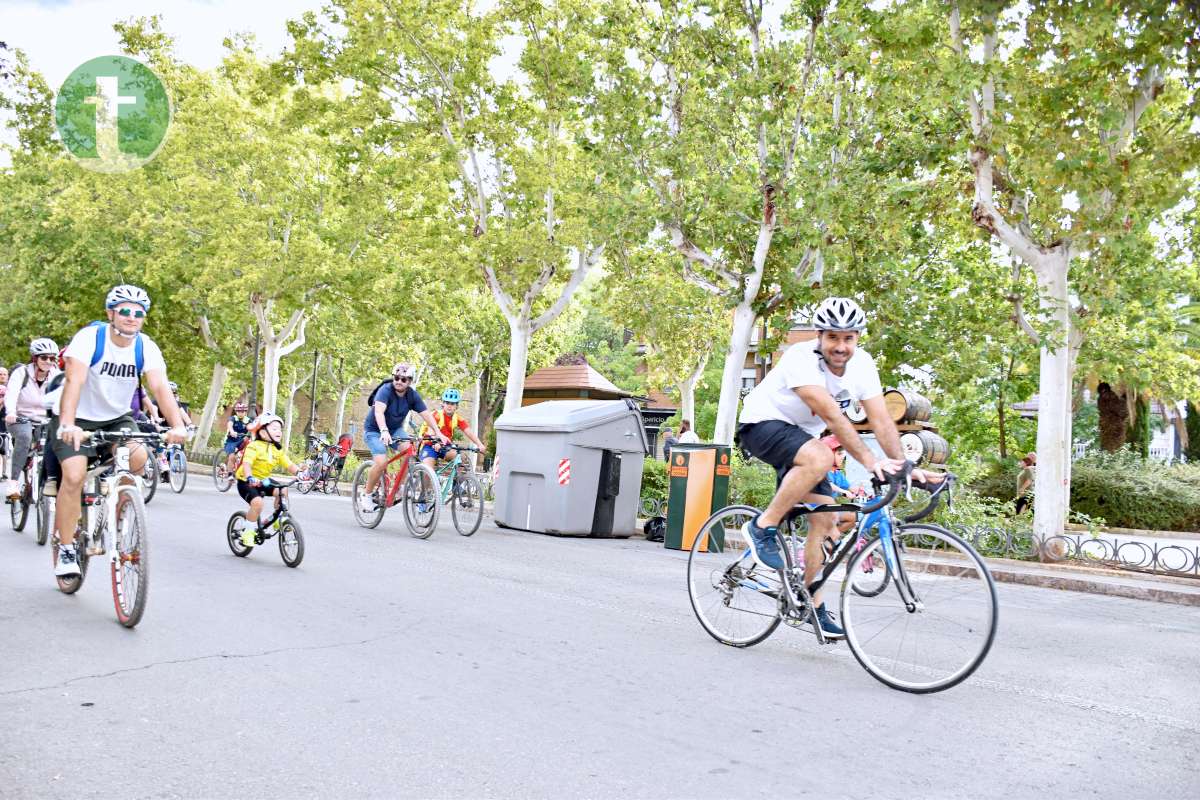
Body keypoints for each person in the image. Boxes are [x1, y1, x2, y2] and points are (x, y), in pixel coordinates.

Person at [736, 297, 940, 639]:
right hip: (762, 425)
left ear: (858, 337)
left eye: (848, 338)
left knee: (826, 519)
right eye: (833, 337)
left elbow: (880, 420)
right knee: (819, 456)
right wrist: (872, 462)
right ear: (820, 336)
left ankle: (810, 604)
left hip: (802, 442)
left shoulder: (864, 366)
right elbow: (833, 416)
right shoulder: (800, 359)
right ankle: (762, 526)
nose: (840, 346)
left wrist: (904, 465)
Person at [50, 285, 189, 578]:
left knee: (138, 458)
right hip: (78, 419)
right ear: (111, 313)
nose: (131, 317)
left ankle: (119, 506)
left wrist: (177, 425)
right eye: (125, 311)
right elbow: (74, 382)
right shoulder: (89, 339)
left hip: (116, 419)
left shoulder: (145, 346)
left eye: (139, 313)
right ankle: (65, 547)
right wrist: (68, 423)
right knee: (74, 475)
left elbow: (160, 387)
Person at [358, 363, 449, 513]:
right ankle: (366, 494)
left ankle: (399, 488)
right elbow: (379, 412)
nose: (399, 381)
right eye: (396, 378)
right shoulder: (385, 390)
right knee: (381, 462)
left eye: (404, 379)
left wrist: (438, 433)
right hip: (374, 430)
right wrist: (383, 430)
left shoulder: (412, 395)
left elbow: (426, 415)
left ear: (410, 381)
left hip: (395, 430)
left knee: (409, 451)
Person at [5, 338, 60, 500]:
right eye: (44, 358)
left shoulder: (56, 375)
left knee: (57, 442)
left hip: (45, 420)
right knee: (25, 436)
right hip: (21, 418)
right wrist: (10, 412)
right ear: (35, 358)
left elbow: (64, 397)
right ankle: (13, 483)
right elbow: (11, 394)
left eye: (52, 358)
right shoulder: (21, 373)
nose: (48, 362)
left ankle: (51, 480)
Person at [235, 412, 300, 547]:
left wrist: (301, 473)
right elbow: (247, 464)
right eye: (274, 429)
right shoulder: (254, 446)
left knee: (283, 490)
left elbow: (289, 464)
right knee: (258, 503)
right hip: (246, 481)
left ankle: (279, 518)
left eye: (280, 429)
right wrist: (250, 477)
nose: (279, 432)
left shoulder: (277, 449)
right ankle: (248, 532)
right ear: (263, 433)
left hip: (263, 480)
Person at [418, 388, 487, 473]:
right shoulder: (437, 415)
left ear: (457, 406)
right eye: (447, 403)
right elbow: (431, 430)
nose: (449, 406)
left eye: (452, 404)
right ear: (443, 404)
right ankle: (427, 486)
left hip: (444, 447)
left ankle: (456, 484)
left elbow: (468, 431)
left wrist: (480, 445)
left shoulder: (457, 418)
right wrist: (435, 442)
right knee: (428, 472)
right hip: (429, 446)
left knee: (461, 458)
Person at [223, 401, 253, 473]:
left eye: (242, 411)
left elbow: (253, 427)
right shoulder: (233, 418)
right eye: (239, 411)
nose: (240, 413)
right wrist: (232, 431)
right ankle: (229, 474)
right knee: (232, 456)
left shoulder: (248, 420)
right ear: (236, 412)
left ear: (245, 412)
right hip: (231, 440)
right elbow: (230, 424)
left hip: (241, 441)